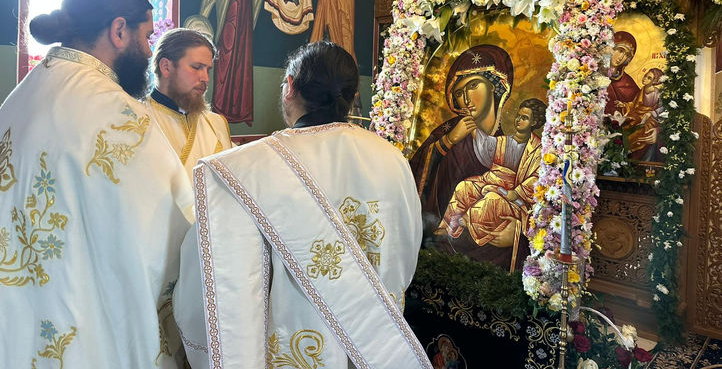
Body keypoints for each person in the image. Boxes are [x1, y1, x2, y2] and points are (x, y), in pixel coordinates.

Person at [173, 42, 431, 368]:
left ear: (290, 87)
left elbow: (211, 283)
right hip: (372, 350)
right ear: (352, 95)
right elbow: (405, 250)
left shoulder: (249, 168)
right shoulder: (392, 159)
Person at [0, 0, 192, 368]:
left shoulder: (21, 97)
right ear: (119, 30)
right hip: (88, 328)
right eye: (147, 36)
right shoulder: (121, 116)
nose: (149, 50)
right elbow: (170, 235)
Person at [409, 45, 520, 270]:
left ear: (494, 85)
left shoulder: (515, 143)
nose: (466, 98)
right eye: (459, 93)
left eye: (473, 85)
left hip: (495, 255)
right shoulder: (447, 133)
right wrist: (447, 142)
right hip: (443, 245)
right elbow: (413, 176)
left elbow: (531, 197)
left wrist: (518, 232)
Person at [438, 98, 546, 271]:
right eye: (518, 116)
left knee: (491, 199)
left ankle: (466, 223)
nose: (519, 120)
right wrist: (473, 125)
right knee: (464, 187)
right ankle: (448, 227)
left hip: (513, 197)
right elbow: (486, 145)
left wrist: (516, 192)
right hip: (491, 181)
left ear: (534, 122)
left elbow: (536, 178)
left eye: (524, 118)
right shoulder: (504, 141)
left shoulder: (538, 150)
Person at [147, 28, 233, 179]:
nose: (206, 78)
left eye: (208, 70)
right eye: (196, 67)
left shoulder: (216, 124)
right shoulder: (137, 120)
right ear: (166, 67)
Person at [617, 68, 664, 160]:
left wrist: (651, 113)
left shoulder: (657, 93)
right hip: (638, 114)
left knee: (640, 130)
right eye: (645, 75)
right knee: (627, 123)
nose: (645, 78)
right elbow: (635, 104)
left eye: (649, 78)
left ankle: (630, 149)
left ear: (654, 81)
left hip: (650, 118)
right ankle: (624, 149)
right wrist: (624, 105)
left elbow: (662, 108)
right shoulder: (643, 89)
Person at [605, 31, 640, 115]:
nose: (621, 57)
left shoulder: (628, 84)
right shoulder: (594, 73)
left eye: (627, 55)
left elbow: (638, 106)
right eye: (620, 50)